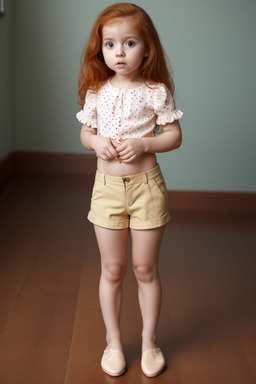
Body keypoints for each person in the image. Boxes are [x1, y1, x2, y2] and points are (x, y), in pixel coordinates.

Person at [76, 2, 183, 378]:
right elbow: (85, 132)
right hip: (106, 188)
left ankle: (150, 341)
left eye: (130, 43)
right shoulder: (96, 90)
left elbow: (173, 135)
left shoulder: (155, 91)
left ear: (147, 48)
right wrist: (95, 142)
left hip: (146, 188)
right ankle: (114, 342)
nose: (119, 52)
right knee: (113, 267)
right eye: (110, 45)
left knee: (144, 267)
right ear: (100, 49)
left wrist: (144, 145)